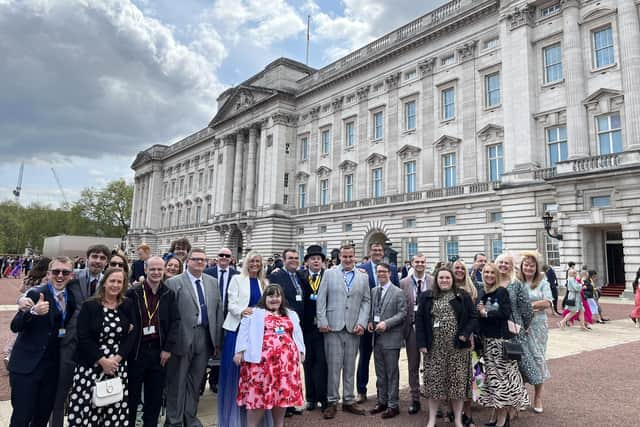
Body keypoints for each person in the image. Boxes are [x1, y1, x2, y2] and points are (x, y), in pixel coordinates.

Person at [9, 257, 77, 427]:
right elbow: (15, 326)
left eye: (65, 272)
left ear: (71, 276)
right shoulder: (35, 293)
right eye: (56, 272)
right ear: (48, 274)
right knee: (21, 418)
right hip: (26, 368)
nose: (60, 276)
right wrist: (32, 311)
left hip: (51, 370)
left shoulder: (72, 300)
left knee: (41, 418)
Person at [67, 267, 135, 426]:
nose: (115, 285)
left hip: (117, 365)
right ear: (104, 283)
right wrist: (103, 361)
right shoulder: (89, 305)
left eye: (120, 282)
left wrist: (116, 359)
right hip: (90, 365)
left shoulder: (127, 305)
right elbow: (83, 337)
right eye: (112, 281)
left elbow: (132, 335)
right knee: (88, 409)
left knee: (112, 409)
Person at [164, 248, 223, 427]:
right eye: (195, 259)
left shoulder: (212, 282)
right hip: (182, 337)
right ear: (187, 261)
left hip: (205, 337)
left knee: (196, 382)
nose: (199, 262)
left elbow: (218, 312)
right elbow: (167, 316)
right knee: (177, 381)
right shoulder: (174, 283)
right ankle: (174, 420)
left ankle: (190, 418)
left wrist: (217, 341)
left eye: (203, 260)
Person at [234, 284, 305, 427]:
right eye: (271, 296)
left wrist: (301, 351)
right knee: (258, 398)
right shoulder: (254, 313)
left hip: (286, 366)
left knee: (281, 397)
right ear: (264, 298)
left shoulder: (290, 314)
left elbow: (297, 334)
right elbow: (244, 332)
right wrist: (239, 351)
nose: (274, 299)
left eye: (277, 296)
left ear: (282, 298)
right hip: (260, 365)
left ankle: (278, 425)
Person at [416, 267, 476, 427]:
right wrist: (421, 343)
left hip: (458, 348)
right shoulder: (426, 297)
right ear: (436, 280)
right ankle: (432, 419)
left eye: (447, 278)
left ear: (453, 280)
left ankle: (457, 419)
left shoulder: (462, 296)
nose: (444, 280)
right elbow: (420, 320)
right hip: (434, 348)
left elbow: (473, 317)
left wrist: (465, 333)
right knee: (434, 385)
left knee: (457, 385)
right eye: (441, 278)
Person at [316, 244, 371, 419]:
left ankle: (348, 400)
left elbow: (366, 301)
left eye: (350, 256)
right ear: (340, 256)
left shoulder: (363, 277)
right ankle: (332, 401)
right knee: (333, 366)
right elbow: (321, 299)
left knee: (350, 366)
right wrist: (322, 321)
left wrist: (362, 322)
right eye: (344, 256)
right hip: (332, 326)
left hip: (353, 328)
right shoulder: (330, 273)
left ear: (355, 257)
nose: (347, 259)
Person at [126, 256, 180, 427]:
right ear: (146, 270)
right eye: (152, 269)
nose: (156, 272)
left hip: (159, 352)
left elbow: (175, 322)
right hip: (137, 351)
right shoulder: (133, 293)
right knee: (132, 396)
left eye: (159, 269)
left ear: (164, 270)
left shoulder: (168, 294)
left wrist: (168, 348)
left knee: (154, 397)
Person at [219, 251, 269, 426]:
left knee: (254, 372)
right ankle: (233, 417)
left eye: (258, 261)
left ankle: (253, 415)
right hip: (237, 328)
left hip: (258, 331)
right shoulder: (236, 279)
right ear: (246, 263)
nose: (255, 264)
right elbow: (230, 303)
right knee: (236, 371)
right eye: (252, 261)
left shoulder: (265, 282)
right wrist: (242, 310)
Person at [477, 263, 529, 427]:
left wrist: (485, 313)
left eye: (492, 272)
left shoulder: (501, 291)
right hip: (487, 341)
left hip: (499, 341)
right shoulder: (482, 291)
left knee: (501, 380)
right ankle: (496, 415)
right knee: (494, 379)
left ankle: (502, 419)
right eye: (486, 272)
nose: (489, 275)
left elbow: (504, 313)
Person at [355, 242, 399, 403]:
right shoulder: (361, 269)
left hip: (386, 323)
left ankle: (385, 392)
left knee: (385, 359)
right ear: (370, 251)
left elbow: (397, 294)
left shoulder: (392, 269)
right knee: (364, 357)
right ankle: (361, 390)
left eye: (380, 249)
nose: (377, 252)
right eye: (374, 249)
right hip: (367, 321)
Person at [368, 263, 407, 419]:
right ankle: (382, 401)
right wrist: (371, 322)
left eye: (384, 271)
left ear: (390, 273)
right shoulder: (374, 291)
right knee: (380, 374)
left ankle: (393, 405)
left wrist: (387, 323)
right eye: (378, 272)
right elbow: (372, 311)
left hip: (391, 338)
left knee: (392, 373)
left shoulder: (398, 292)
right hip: (376, 339)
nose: (381, 274)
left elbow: (402, 313)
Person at [399, 252, 433, 415]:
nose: (420, 264)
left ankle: (435, 400)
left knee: (431, 366)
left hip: (430, 330)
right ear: (412, 263)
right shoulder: (403, 283)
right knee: (413, 365)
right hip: (411, 329)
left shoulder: (433, 281)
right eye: (417, 261)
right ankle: (415, 399)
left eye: (422, 261)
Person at [518, 251, 552, 413]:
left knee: (538, 359)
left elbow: (547, 302)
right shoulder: (517, 282)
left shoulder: (542, 282)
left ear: (536, 267)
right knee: (521, 359)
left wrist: (528, 306)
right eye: (526, 265)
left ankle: (538, 397)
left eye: (532, 265)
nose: (529, 268)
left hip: (538, 326)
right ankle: (522, 395)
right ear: (522, 267)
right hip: (521, 326)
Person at [203, 247, 239, 392]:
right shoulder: (207, 273)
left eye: (227, 255)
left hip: (229, 316)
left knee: (224, 349)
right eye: (221, 255)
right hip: (211, 316)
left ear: (231, 258)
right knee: (209, 347)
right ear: (217, 257)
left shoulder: (236, 275)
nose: (224, 257)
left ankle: (217, 380)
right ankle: (204, 380)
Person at [297, 245, 328, 411]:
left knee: (322, 363)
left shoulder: (328, 276)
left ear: (322, 262)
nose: (316, 261)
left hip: (323, 327)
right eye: (312, 258)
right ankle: (310, 398)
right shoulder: (300, 276)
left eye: (319, 259)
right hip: (306, 327)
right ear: (307, 261)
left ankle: (323, 398)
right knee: (308, 363)